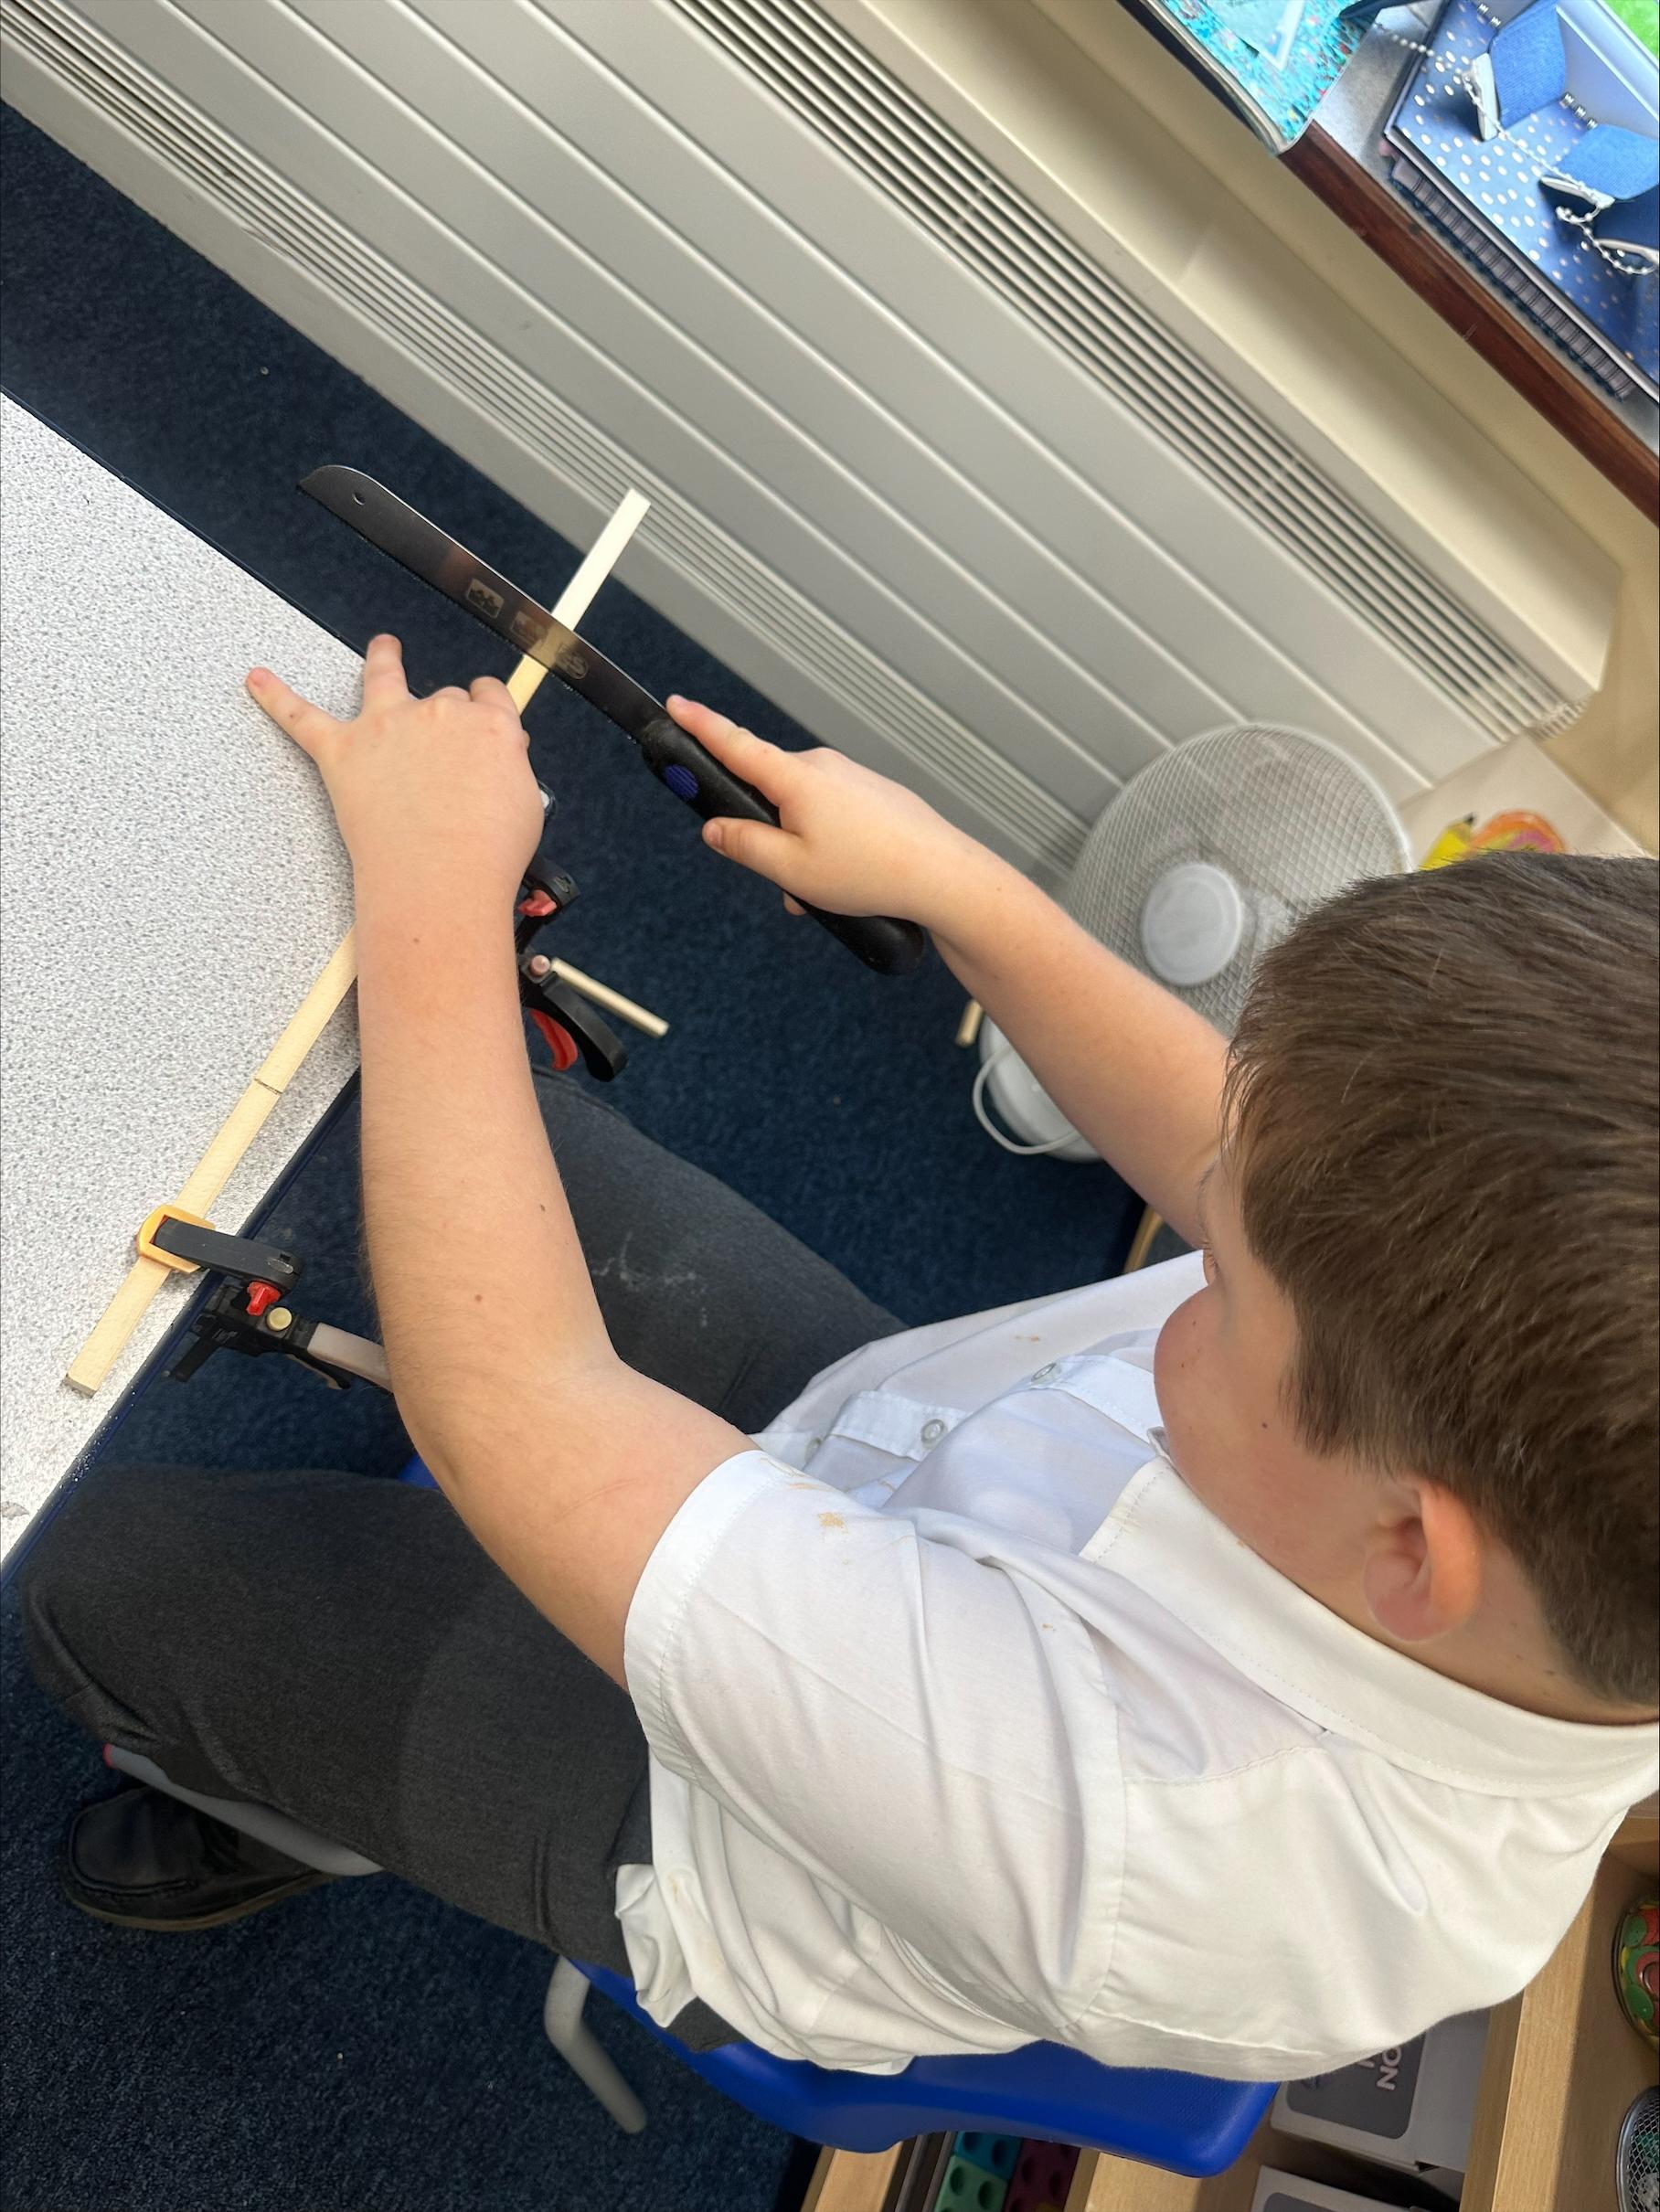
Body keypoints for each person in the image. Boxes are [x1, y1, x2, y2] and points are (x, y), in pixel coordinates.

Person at [21, 638, 1658, 2079]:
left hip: (697, 1821)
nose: (1193, 1236)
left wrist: (432, 901)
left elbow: (518, 1408)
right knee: (396, 1124)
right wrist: (966, 890)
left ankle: (270, 1798)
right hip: (883, 1433)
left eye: (1218, 1281)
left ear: (1410, 1549)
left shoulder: (1154, 1834)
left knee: (97, 1566)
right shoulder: (1477, 1450)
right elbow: (1230, 1145)